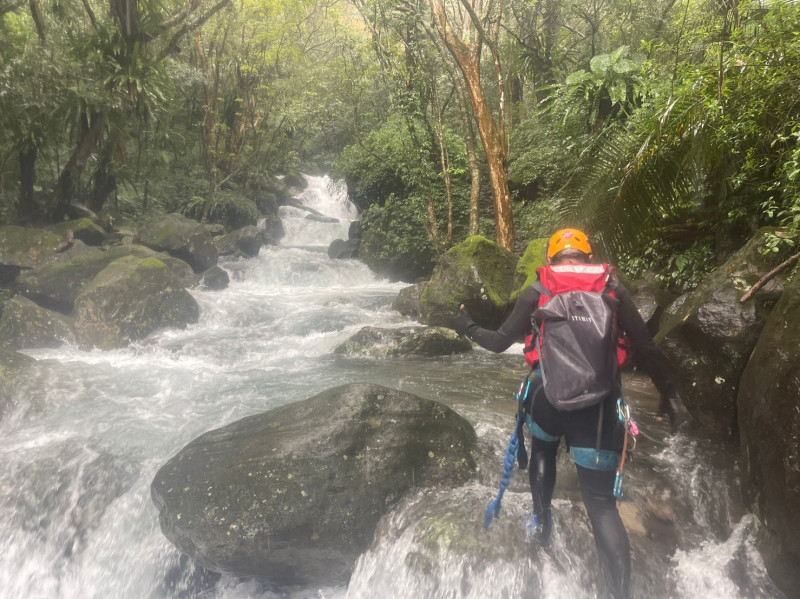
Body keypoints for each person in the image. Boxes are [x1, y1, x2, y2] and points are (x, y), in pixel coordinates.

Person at [452, 228, 681, 599]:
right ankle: (619, 592)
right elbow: (646, 347)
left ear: (551, 260)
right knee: (602, 505)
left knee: (542, 450)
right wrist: (668, 394)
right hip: (600, 407)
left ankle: (541, 523)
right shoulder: (613, 290)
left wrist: (466, 325)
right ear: (589, 258)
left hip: (548, 399)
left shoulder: (538, 290)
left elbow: (497, 343)